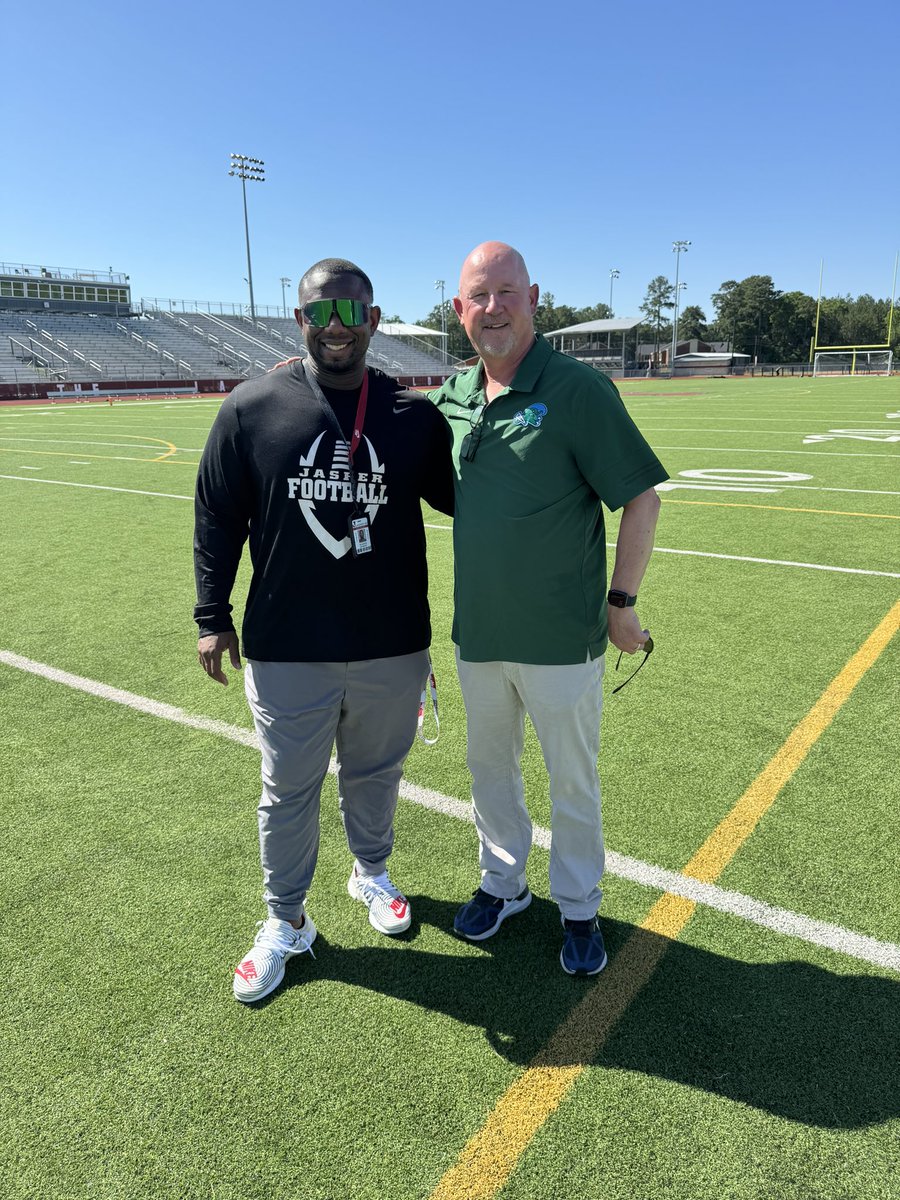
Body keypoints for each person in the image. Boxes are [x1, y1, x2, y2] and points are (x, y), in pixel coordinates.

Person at [194, 258, 454, 1003]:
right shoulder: (251, 408)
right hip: (288, 644)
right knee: (287, 793)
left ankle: (371, 873)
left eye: (351, 313)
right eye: (320, 313)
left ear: (373, 321)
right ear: (298, 321)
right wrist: (212, 616)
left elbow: (470, 500)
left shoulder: (414, 418)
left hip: (391, 642)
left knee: (376, 776)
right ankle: (287, 921)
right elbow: (217, 516)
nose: (336, 327)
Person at [431, 241, 667, 977]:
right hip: (481, 635)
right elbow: (387, 425)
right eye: (480, 296)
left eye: (508, 292)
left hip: (564, 638)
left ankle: (578, 906)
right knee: (489, 769)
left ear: (533, 300)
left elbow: (641, 497)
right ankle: (504, 886)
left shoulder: (576, 389)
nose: (494, 307)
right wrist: (308, 383)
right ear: (460, 310)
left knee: (572, 778)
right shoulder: (455, 397)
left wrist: (621, 604)